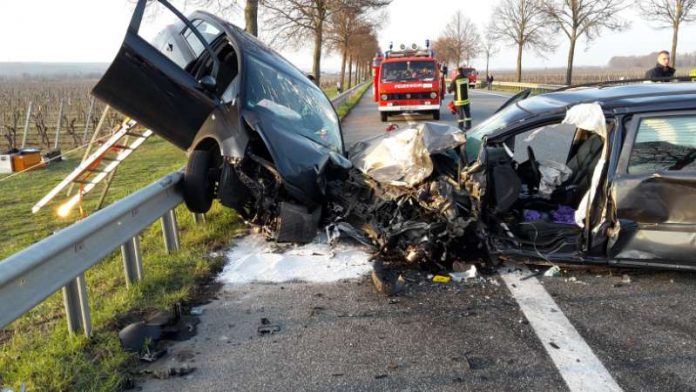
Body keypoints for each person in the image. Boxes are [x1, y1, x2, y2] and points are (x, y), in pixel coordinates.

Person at [448, 66, 472, 130]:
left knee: (460, 115)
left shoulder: (456, 79)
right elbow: (469, 82)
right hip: (466, 100)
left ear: (457, 72)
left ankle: (460, 127)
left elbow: (450, 90)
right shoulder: (466, 78)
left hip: (459, 101)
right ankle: (468, 126)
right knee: (467, 114)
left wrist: (449, 89)